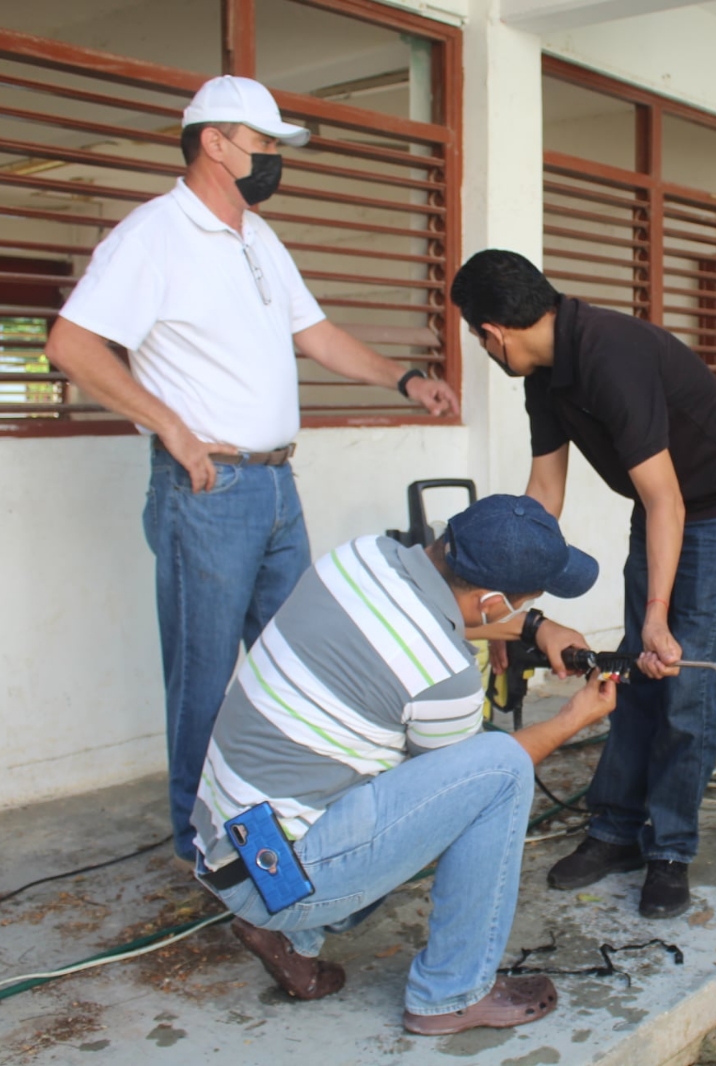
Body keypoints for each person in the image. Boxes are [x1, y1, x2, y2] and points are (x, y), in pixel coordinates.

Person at [45, 76, 460, 862]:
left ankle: (290, 827)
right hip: (210, 494)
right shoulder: (153, 235)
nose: (273, 160)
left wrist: (404, 378)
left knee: (297, 666)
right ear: (215, 141)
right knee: (204, 685)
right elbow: (70, 346)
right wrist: (170, 426)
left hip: (275, 487)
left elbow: (318, 334)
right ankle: (203, 855)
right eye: (264, 145)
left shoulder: (255, 236)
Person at [194, 494, 615, 1035]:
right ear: (491, 603)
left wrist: (534, 626)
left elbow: (428, 618)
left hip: (230, 842)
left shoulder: (362, 556)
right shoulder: (445, 677)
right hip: (278, 879)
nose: (517, 613)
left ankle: (290, 938)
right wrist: (572, 719)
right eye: (519, 603)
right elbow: (464, 785)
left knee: (399, 762)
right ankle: (450, 994)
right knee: (499, 772)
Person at [449, 249, 716, 920]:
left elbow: (669, 501)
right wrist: (508, 614)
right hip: (664, 506)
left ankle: (670, 851)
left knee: (684, 682)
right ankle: (615, 832)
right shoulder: (543, 374)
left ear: (491, 332)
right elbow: (541, 502)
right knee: (630, 670)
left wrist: (657, 616)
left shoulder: (609, 355)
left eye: (478, 338)